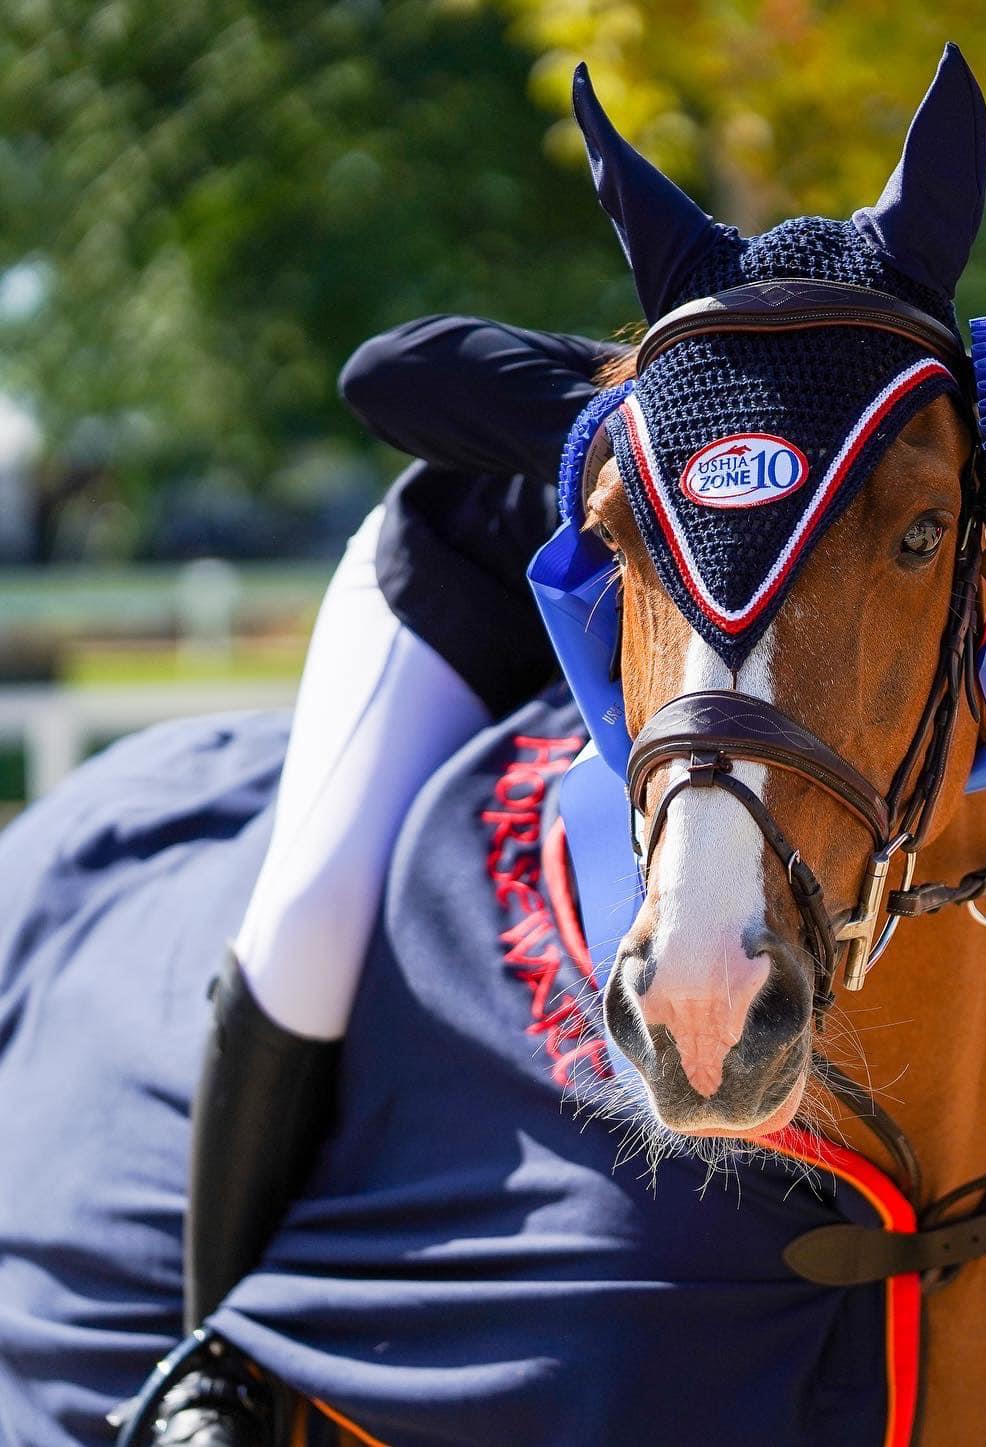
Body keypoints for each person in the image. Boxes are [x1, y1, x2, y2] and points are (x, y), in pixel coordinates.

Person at [157, 317, 624, 1443]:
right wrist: (626, 426)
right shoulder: (663, 376)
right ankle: (217, 1356)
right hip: (464, 615)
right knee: (310, 926)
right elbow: (382, 375)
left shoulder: (891, 402)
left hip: (655, 691)